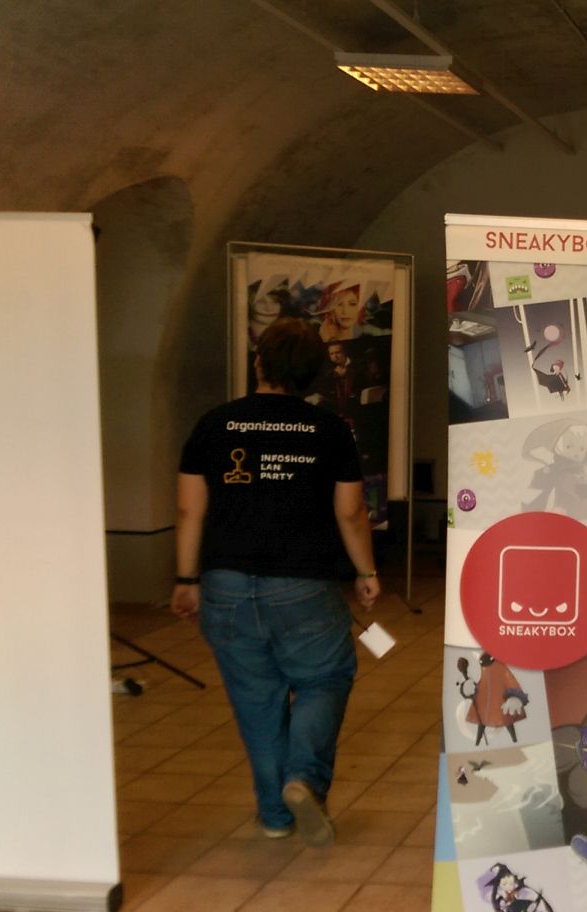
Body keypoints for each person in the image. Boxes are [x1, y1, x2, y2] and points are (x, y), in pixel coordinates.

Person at [171, 317, 379, 847]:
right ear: (313, 374)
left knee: (256, 700)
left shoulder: (213, 424)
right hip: (303, 584)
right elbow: (351, 512)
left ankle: (274, 816)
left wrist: (186, 578)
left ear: (259, 362)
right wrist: (366, 572)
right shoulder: (329, 430)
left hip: (225, 584)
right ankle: (303, 779)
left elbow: (189, 509)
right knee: (323, 679)